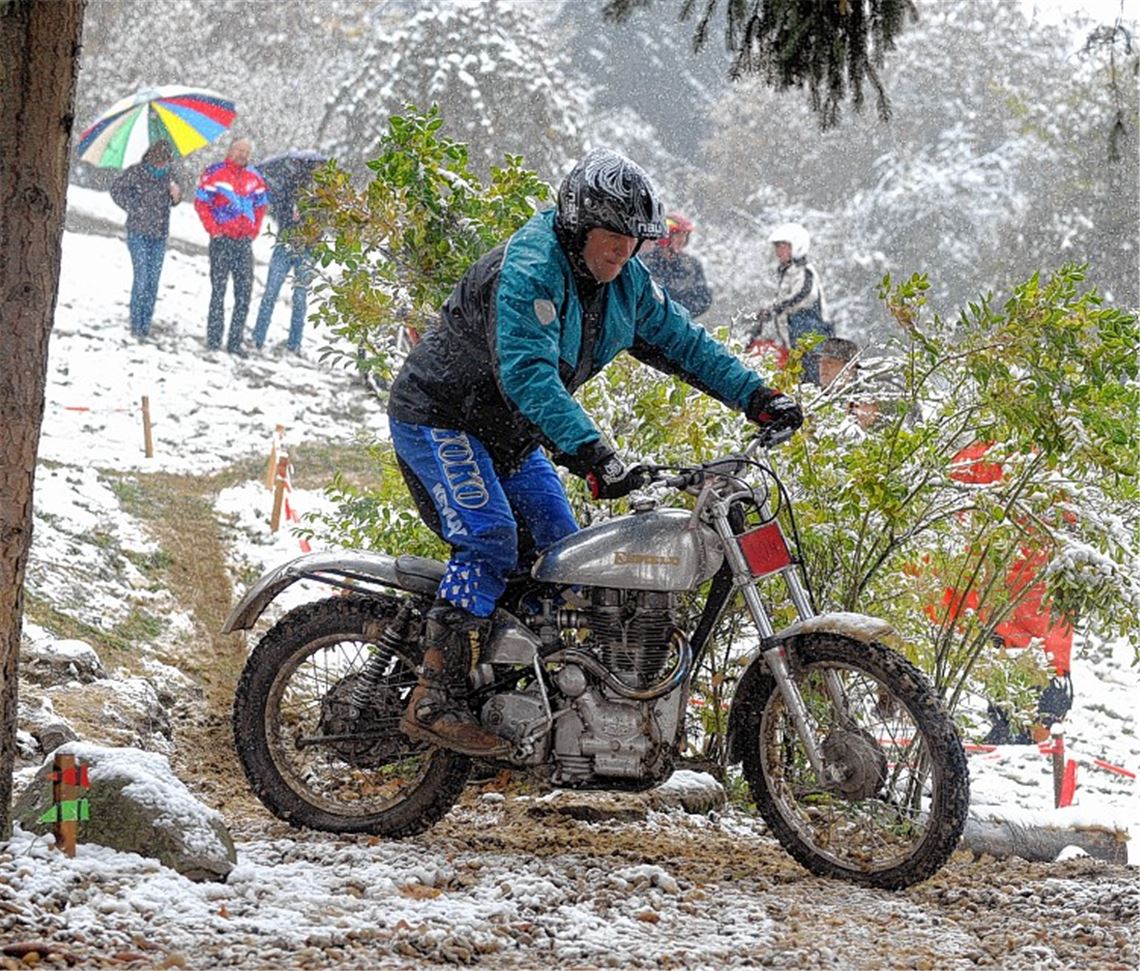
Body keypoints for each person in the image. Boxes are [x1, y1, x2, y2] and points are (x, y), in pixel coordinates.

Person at [387, 148, 804, 757]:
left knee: (565, 561)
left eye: (632, 239)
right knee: (491, 538)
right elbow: (528, 376)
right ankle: (433, 696)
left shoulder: (627, 283)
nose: (619, 250)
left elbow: (687, 345)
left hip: (511, 436)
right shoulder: (528, 271)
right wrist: (594, 454)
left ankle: (518, 715)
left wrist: (758, 396)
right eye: (609, 236)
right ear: (577, 228)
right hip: (441, 419)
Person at [194, 137, 267, 356]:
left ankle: (235, 342)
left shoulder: (255, 177)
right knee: (219, 290)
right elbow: (201, 202)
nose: (242, 154)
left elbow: (261, 206)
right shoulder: (214, 172)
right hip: (221, 239)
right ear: (230, 149)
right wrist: (213, 229)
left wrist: (253, 230)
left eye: (246, 151)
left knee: (244, 293)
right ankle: (214, 339)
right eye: (239, 150)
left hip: (243, 241)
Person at [109, 140, 182, 340]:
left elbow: (175, 201)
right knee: (141, 278)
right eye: (159, 159)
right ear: (151, 156)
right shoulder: (137, 172)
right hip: (138, 232)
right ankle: (136, 324)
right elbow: (116, 190)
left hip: (159, 234)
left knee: (153, 281)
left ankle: (145, 325)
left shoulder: (170, 176)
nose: (162, 164)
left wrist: (176, 195)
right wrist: (133, 206)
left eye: (165, 160)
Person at [252, 155, 320, 355]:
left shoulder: (322, 196)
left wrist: (308, 221)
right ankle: (259, 338)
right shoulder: (289, 188)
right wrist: (289, 216)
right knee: (272, 293)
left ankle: (293, 343)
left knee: (299, 297)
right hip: (285, 244)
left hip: (306, 248)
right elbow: (276, 210)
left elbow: (324, 223)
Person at [751, 222, 832, 384]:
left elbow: (804, 293)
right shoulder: (787, 272)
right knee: (798, 369)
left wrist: (777, 308)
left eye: (783, 246)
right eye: (777, 247)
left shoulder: (804, 270)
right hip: (793, 331)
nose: (778, 251)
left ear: (797, 246)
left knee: (811, 370)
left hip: (809, 329)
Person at [637, 213, 712, 319]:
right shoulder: (644, 263)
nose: (682, 240)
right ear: (666, 236)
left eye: (685, 235)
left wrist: (679, 313)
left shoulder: (691, 266)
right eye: (678, 235)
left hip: (679, 328)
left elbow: (703, 298)